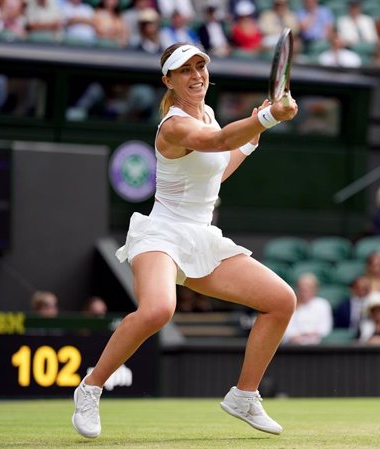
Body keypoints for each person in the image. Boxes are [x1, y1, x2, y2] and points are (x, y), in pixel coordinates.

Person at [72, 42, 298, 439]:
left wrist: (253, 137)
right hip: (161, 234)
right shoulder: (174, 125)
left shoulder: (209, 115)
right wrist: (265, 117)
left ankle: (244, 396)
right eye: (185, 70)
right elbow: (213, 144)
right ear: (169, 81)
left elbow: (215, 170)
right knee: (158, 309)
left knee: (281, 301)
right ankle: (90, 388)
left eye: (200, 67)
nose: (196, 76)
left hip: (202, 236)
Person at [283, 273, 332, 345]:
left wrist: (311, 334)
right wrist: (297, 337)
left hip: (318, 346)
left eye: (307, 289)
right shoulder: (291, 305)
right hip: (294, 346)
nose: (304, 293)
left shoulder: (323, 304)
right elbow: (288, 330)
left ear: (315, 289)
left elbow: (325, 328)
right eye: (302, 289)